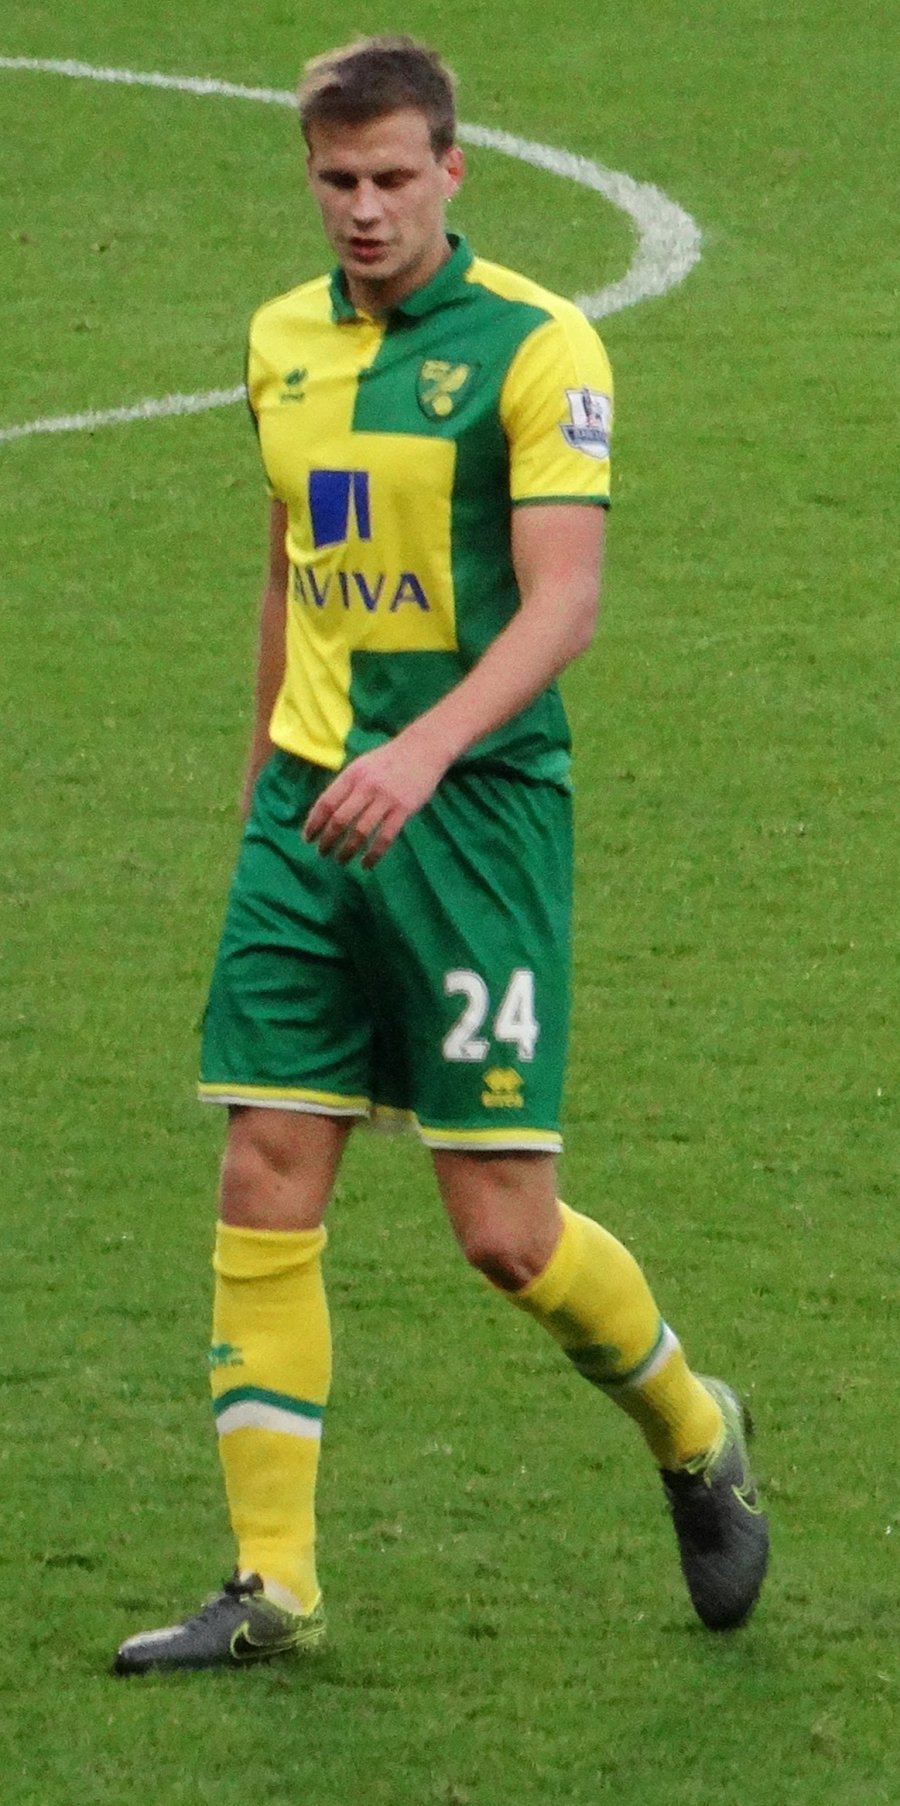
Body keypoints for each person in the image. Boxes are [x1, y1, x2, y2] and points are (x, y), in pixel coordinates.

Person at [114, 34, 767, 1675]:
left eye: (394, 177)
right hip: (311, 817)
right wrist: (267, 775)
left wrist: (419, 751)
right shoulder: (278, 342)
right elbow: (292, 564)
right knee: (266, 1165)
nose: (365, 207)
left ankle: (696, 1430)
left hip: (471, 819)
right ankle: (273, 1583)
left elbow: (564, 603)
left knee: (504, 1231)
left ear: (452, 171)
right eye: (338, 179)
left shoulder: (539, 344)